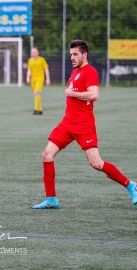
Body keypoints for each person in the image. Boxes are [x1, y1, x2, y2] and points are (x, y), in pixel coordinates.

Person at [32, 39, 137, 209]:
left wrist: (72, 93)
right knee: (46, 155)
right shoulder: (74, 73)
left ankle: (130, 185)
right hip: (67, 123)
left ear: (84, 54)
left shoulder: (90, 72)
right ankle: (51, 199)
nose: (72, 57)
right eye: (71, 54)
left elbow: (94, 95)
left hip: (84, 125)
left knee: (96, 163)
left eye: (75, 54)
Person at [26, 47, 50, 115]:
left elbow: (46, 69)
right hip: (33, 79)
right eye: (33, 52)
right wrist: (28, 77)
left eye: (35, 52)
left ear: (38, 53)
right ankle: (40, 110)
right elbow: (29, 70)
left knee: (36, 92)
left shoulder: (41, 60)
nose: (34, 54)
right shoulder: (30, 60)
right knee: (36, 94)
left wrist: (47, 78)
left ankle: (36, 109)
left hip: (40, 78)